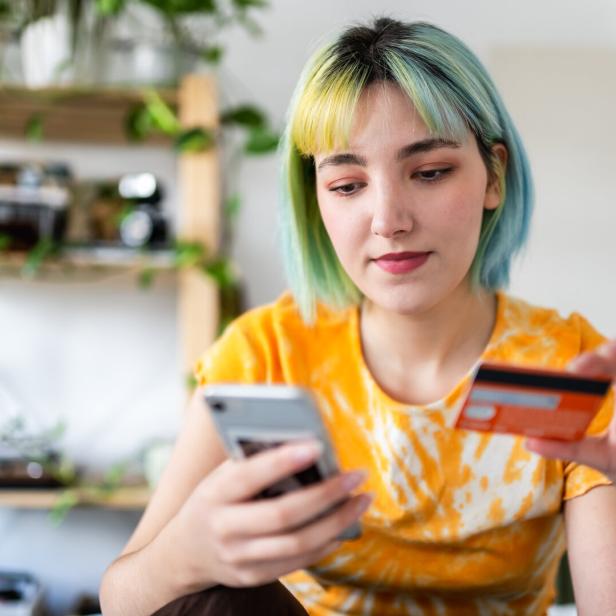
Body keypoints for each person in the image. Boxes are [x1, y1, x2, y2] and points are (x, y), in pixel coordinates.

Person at [99, 17, 616, 615]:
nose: (388, 219)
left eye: (429, 173)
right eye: (347, 185)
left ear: (493, 176)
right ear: (315, 199)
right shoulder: (269, 352)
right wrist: (184, 555)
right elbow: (122, 598)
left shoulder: (567, 367)